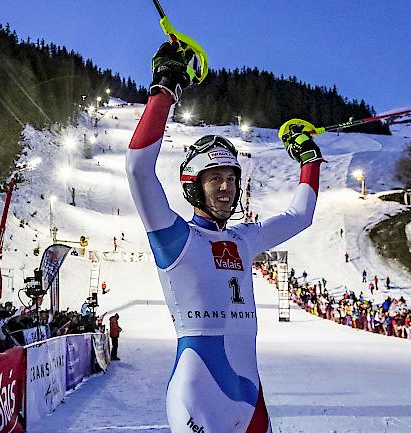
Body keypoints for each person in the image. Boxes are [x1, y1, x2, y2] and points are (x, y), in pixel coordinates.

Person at [126, 41, 323, 433]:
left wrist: (310, 161)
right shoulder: (175, 237)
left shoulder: (244, 239)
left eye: (231, 179)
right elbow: (138, 170)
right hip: (198, 395)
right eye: (214, 178)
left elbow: (300, 216)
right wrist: (165, 86)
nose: (226, 188)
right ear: (193, 187)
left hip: (251, 399)